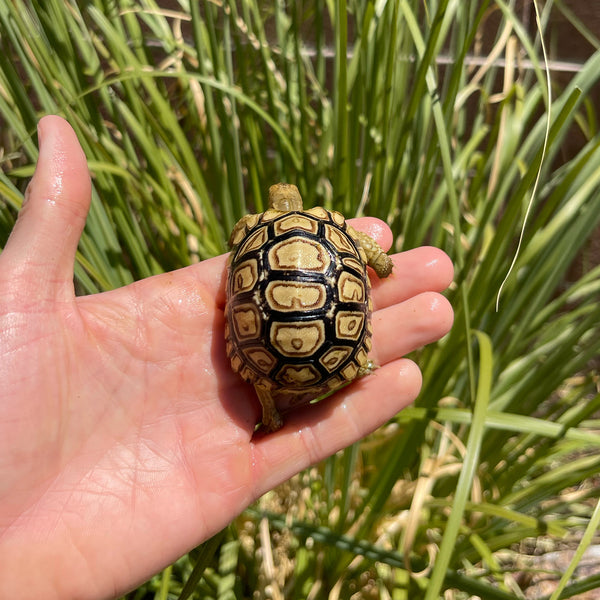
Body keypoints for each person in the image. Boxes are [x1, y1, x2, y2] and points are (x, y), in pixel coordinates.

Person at [0, 116, 454, 599]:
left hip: (263, 352)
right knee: (347, 352)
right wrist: (380, 263)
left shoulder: (254, 231)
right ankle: (343, 365)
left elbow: (240, 242)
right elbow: (367, 252)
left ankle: (273, 404)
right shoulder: (329, 227)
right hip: (335, 348)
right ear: (297, 204)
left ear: (274, 207)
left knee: (263, 381)